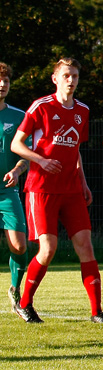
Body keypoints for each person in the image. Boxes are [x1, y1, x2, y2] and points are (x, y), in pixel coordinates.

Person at [10, 57, 103, 323]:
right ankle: (25, 302)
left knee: (85, 246)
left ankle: (96, 312)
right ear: (55, 78)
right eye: (66, 75)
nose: (71, 80)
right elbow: (17, 145)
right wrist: (41, 160)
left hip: (71, 189)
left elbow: (75, 149)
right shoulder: (41, 106)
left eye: (75, 76)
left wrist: (83, 182)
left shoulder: (83, 110)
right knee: (49, 248)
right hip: (41, 188)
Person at [0, 63, 30, 313]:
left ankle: (14, 289)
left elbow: (26, 153)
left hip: (7, 191)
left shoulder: (18, 116)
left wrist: (17, 170)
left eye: (6, 81)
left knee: (20, 246)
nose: (2, 85)